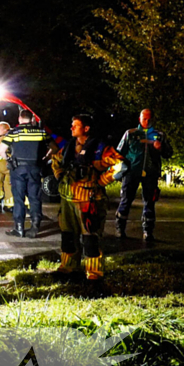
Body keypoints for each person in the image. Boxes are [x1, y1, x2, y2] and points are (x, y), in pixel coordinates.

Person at [51, 114, 122, 281]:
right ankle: (68, 267)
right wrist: (59, 173)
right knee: (68, 236)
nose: (71, 128)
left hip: (89, 199)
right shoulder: (69, 146)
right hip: (67, 198)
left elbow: (121, 165)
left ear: (86, 128)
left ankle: (94, 274)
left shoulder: (100, 148)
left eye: (75, 125)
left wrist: (103, 180)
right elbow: (56, 160)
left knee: (90, 237)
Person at [115, 108, 173, 244]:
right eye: (144, 118)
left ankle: (148, 231)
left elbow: (169, 153)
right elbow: (119, 153)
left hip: (151, 174)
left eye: (149, 118)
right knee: (125, 201)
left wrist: (161, 148)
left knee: (150, 202)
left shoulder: (159, 135)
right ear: (139, 119)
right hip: (131, 173)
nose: (147, 121)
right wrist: (118, 171)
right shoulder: (130, 134)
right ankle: (120, 228)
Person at [0, 109, 55, 238]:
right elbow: (55, 148)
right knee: (34, 198)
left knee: (19, 199)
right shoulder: (41, 132)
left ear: (20, 119)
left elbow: (1, 150)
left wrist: (9, 160)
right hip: (35, 168)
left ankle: (19, 228)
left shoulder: (14, 133)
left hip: (18, 169)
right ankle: (35, 226)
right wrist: (45, 159)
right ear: (32, 119)